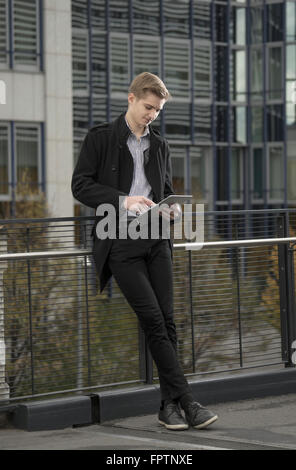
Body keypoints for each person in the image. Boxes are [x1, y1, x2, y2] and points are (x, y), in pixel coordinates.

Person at [71, 72, 218, 430]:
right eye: (148, 107)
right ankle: (187, 401)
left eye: (158, 110)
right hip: (119, 241)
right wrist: (123, 200)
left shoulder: (161, 145)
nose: (152, 115)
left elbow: (164, 188)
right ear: (131, 99)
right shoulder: (100, 138)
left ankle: (168, 407)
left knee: (167, 322)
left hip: (156, 238)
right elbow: (81, 186)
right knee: (152, 319)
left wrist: (174, 208)